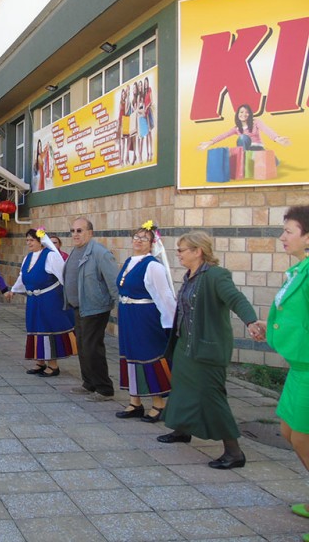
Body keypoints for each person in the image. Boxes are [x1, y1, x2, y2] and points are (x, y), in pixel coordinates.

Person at [157, 231, 261, 470]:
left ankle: (234, 453)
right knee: (182, 389)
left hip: (207, 348)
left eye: (182, 250)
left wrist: (251, 321)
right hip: (186, 344)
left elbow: (236, 299)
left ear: (197, 251)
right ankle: (183, 430)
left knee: (212, 397)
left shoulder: (216, 276)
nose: (178, 254)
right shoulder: (191, 275)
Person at [256, 206, 309, 527]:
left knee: (302, 437)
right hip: (300, 369)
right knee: (290, 432)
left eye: (289, 231)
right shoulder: (300, 269)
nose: (282, 237)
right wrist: (270, 325)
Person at [114, 222, 176, 422]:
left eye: (144, 238)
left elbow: (164, 296)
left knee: (148, 355)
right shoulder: (129, 261)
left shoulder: (153, 265)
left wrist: (171, 324)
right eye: (136, 237)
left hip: (145, 316)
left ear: (152, 243)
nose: (138, 241)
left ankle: (159, 404)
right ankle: (135, 402)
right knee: (129, 354)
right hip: (128, 314)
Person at [63, 216, 119, 401]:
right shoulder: (75, 251)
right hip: (79, 307)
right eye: (72, 231)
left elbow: (113, 282)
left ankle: (104, 389)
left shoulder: (100, 253)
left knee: (92, 347)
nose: (75, 234)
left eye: (79, 230)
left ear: (90, 232)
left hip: (95, 308)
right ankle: (89, 383)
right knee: (82, 345)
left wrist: (121, 307)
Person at [9, 228, 76, 378]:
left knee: (48, 329)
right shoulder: (28, 257)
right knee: (34, 328)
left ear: (41, 241)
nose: (29, 243)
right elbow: (23, 276)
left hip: (50, 300)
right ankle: (40, 362)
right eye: (27, 240)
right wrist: (13, 290)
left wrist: (71, 297)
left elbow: (63, 276)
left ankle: (53, 366)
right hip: (33, 300)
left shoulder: (51, 256)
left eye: (31, 240)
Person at [198, 103, 291, 153]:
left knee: (273, 161)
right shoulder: (236, 128)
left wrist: (277, 138)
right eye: (241, 112)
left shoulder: (256, 122)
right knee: (242, 138)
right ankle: (243, 159)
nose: (244, 114)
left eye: (246, 112)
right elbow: (224, 135)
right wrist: (210, 142)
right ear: (238, 114)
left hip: (257, 148)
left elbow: (266, 129)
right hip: (245, 150)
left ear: (250, 114)